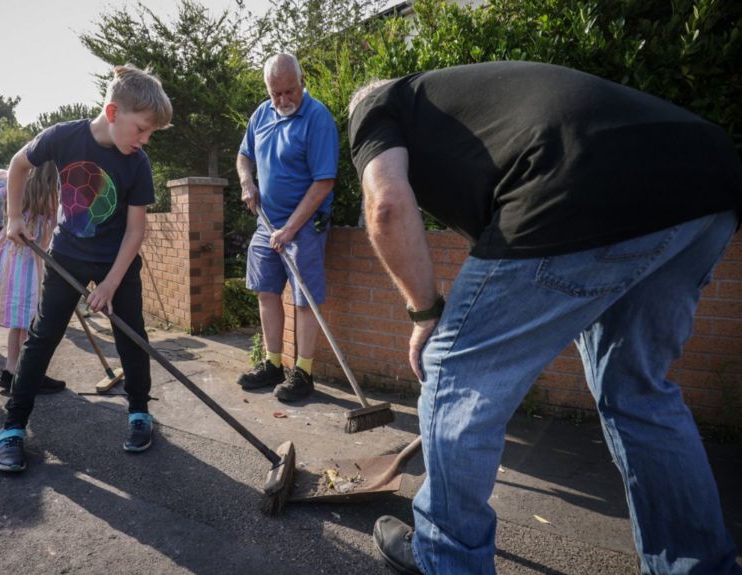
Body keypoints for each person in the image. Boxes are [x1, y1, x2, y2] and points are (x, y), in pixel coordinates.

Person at [347, 61, 742, 575]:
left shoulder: (379, 104)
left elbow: (386, 206)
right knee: (638, 391)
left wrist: (425, 313)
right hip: (708, 182)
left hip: (577, 180)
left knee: (453, 368)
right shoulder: (473, 108)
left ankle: (446, 557)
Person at [0, 64, 172, 472]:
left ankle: (140, 412)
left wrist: (109, 283)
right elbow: (19, 164)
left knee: (132, 337)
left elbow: (135, 230)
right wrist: (14, 217)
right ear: (113, 113)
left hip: (116, 259)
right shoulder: (63, 136)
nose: (145, 140)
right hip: (68, 253)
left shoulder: (137, 163)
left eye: (150, 134)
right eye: (142, 129)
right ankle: (12, 427)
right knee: (43, 336)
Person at [235, 53, 338, 402]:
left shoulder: (318, 119)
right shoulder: (261, 115)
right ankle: (273, 364)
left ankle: (304, 372)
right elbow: (243, 155)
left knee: (304, 298)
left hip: (305, 225)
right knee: (266, 292)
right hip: (267, 223)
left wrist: (292, 228)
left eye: (288, 91)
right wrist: (247, 182)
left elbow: (323, 182)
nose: (282, 101)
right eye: (275, 93)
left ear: (302, 81)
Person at [0, 164, 65, 394]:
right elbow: (59, 228)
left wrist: (4, 184)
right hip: (31, 261)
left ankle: (10, 371)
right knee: (28, 320)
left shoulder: (14, 182)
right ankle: (28, 374)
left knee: (20, 321)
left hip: (10, 257)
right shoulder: (53, 197)